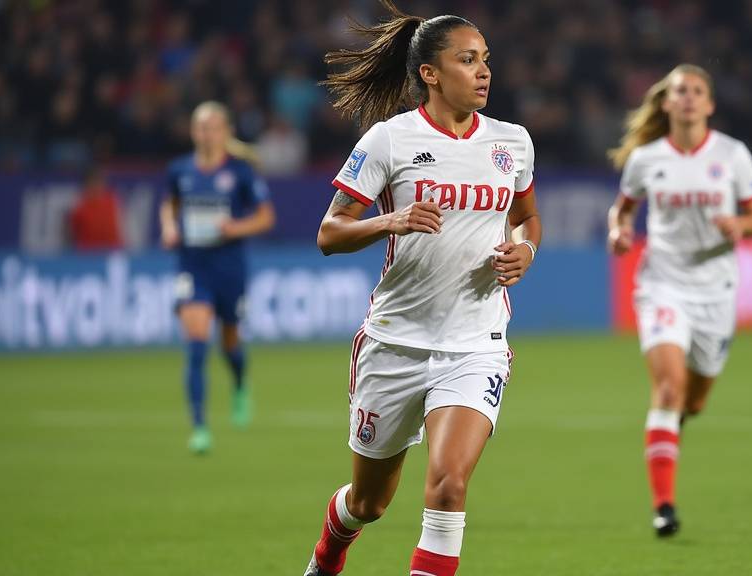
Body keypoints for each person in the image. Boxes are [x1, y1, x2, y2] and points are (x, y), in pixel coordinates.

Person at [303, 3, 541, 575]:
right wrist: (391, 220)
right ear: (430, 73)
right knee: (369, 504)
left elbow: (526, 218)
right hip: (395, 343)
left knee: (448, 485)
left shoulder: (512, 143)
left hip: (475, 341)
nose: (484, 72)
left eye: (485, 60)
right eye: (467, 60)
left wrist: (525, 249)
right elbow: (329, 234)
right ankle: (328, 553)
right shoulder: (390, 140)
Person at [606, 64, 752, 537]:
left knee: (692, 403)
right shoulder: (647, 159)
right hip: (662, 285)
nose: (689, 98)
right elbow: (624, 206)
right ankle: (664, 506)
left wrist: (741, 226)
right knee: (669, 390)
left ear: (709, 104)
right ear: (668, 103)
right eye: (681, 91)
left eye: (697, 91)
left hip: (715, 291)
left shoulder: (733, 155)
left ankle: (672, 429)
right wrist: (620, 229)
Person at [160, 101, 275, 454]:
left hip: (229, 268)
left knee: (229, 342)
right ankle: (199, 428)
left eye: (213, 127)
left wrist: (234, 227)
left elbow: (265, 217)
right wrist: (167, 227)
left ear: (225, 132)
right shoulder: (179, 170)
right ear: (194, 132)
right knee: (196, 342)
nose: (207, 133)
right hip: (193, 266)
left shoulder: (240, 172)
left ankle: (240, 382)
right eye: (201, 127)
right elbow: (170, 204)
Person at [69, 166, 124, 251]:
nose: (97, 186)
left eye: (99, 182)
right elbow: (71, 236)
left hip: (112, 251)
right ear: (87, 185)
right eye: (93, 183)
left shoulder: (112, 201)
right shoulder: (79, 206)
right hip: (88, 255)